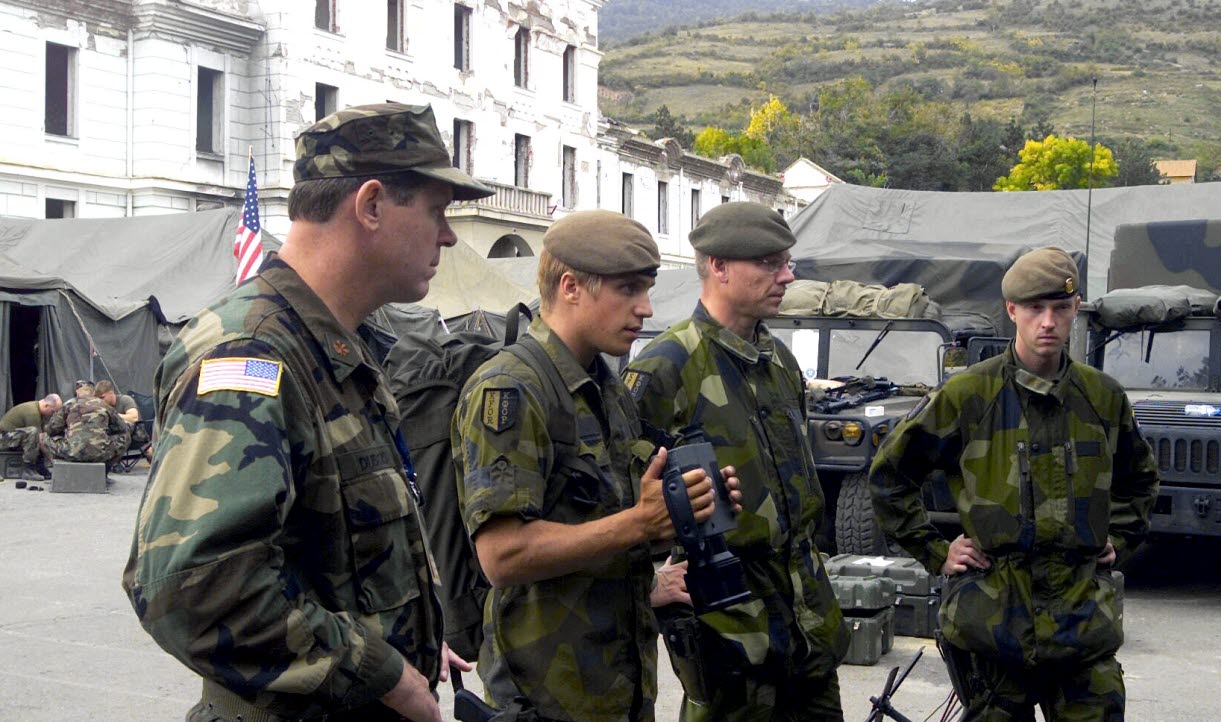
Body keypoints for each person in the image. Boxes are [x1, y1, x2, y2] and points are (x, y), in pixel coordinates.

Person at [123, 103, 495, 722]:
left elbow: (336, 551)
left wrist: (410, 639)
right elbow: (192, 589)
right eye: (436, 211)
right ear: (371, 205)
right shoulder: (254, 354)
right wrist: (380, 671)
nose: (448, 235)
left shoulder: (339, 346)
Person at [452, 209, 736, 722]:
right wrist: (639, 521)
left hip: (617, 690)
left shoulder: (606, 390)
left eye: (647, 289)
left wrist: (681, 513)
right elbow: (502, 555)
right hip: (544, 699)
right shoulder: (513, 388)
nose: (646, 308)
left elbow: (605, 528)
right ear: (570, 287)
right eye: (628, 289)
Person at [870, 247, 1160, 721]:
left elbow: (1141, 478)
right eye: (1034, 309)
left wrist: (1121, 537)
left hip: (1081, 623)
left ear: (1075, 309)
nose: (1048, 322)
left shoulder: (1101, 397)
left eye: (1060, 309)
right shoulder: (970, 394)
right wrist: (936, 550)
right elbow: (890, 474)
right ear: (1011, 311)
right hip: (993, 626)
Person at [625, 202, 850, 722]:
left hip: (808, 627)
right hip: (730, 631)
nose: (787, 276)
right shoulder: (666, 365)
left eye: (787, 262)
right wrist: (653, 580)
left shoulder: (779, 361)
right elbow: (623, 494)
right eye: (770, 263)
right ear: (719, 267)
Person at [40, 387, 126, 465]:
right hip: (100, 453)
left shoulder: (69, 404)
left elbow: (52, 429)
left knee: (41, 436)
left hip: (71, 452)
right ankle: (105, 473)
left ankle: (56, 466)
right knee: (125, 435)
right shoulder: (104, 405)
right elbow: (121, 427)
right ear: (94, 394)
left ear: (77, 394)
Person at [0, 394, 61, 479]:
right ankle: (29, 470)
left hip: (13, 438)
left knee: (38, 434)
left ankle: (40, 468)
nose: (53, 415)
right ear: (46, 405)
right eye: (52, 411)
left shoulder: (38, 410)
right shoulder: (32, 412)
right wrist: (52, 459)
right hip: (4, 440)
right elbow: (39, 440)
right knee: (33, 432)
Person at [93, 380, 137, 462]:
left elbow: (134, 417)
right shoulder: (101, 405)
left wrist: (114, 416)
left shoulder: (125, 400)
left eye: (103, 397)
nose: (101, 401)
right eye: (98, 399)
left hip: (133, 435)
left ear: (111, 393)